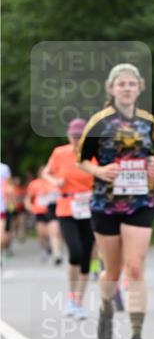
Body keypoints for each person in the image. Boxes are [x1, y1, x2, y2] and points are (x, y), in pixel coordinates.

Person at [78, 63, 154, 339]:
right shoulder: (99, 122)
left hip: (140, 201)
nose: (126, 88)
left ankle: (136, 338)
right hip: (106, 204)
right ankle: (105, 308)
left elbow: (150, 157)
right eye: (121, 84)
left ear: (139, 88)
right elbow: (83, 160)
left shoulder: (147, 121)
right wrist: (100, 171)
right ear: (112, 89)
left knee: (136, 267)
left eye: (131, 83)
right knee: (111, 273)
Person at [44, 118, 95, 317]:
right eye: (73, 136)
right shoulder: (60, 153)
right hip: (67, 208)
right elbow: (46, 172)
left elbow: (101, 175)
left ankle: (78, 301)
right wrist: (55, 180)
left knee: (86, 256)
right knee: (75, 252)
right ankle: (72, 296)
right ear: (68, 136)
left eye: (79, 136)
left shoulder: (93, 154)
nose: (76, 139)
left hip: (89, 208)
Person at [25, 166, 60, 262]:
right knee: (41, 233)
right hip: (39, 212)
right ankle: (45, 249)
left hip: (52, 211)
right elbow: (28, 198)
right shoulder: (34, 184)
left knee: (54, 232)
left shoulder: (53, 183)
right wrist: (30, 208)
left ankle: (56, 252)